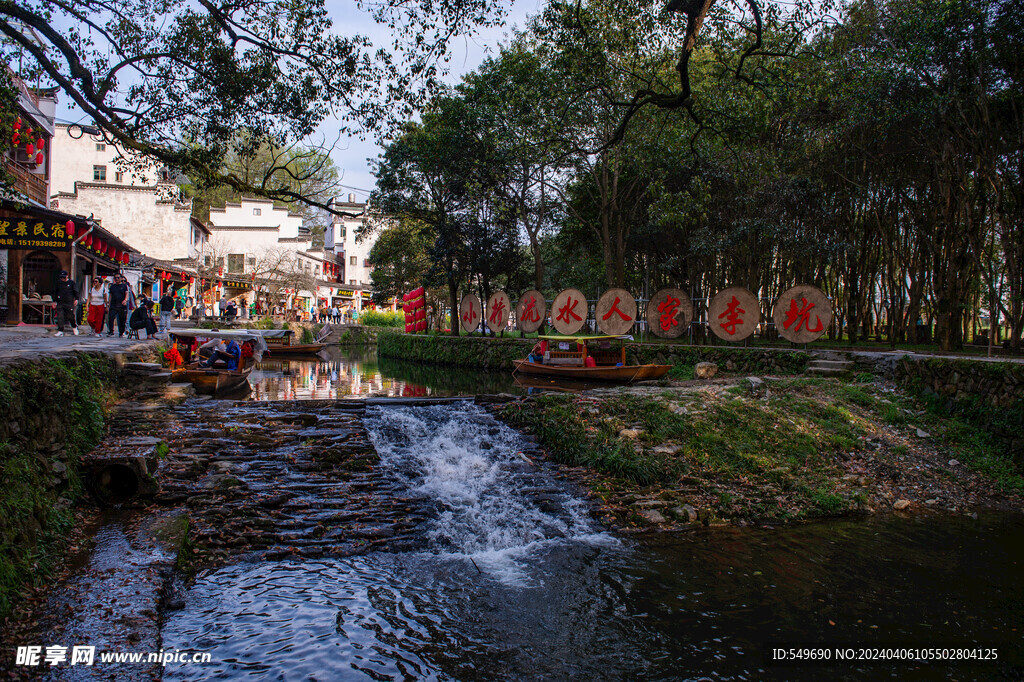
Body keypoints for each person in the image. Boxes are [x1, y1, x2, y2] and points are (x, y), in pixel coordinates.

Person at [53, 270, 80, 336]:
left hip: (69, 302)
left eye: (64, 277)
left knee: (70, 316)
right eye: (61, 277)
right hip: (60, 301)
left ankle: (74, 327)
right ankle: (60, 330)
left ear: (67, 276)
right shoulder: (58, 283)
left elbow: (75, 291)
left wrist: (76, 299)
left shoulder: (71, 283)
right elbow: (55, 292)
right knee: (60, 316)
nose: (62, 279)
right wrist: (54, 301)